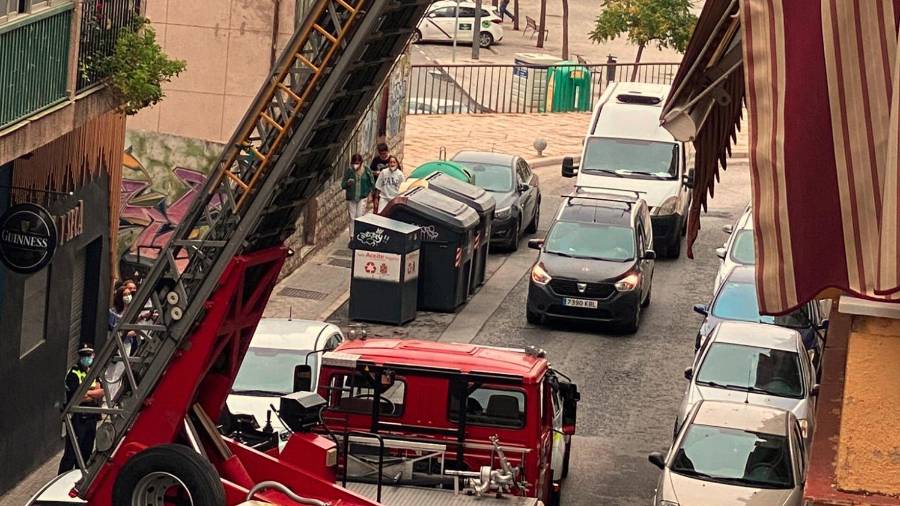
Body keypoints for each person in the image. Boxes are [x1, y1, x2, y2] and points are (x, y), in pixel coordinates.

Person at [58, 345, 104, 474]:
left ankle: (79, 477)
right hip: (77, 418)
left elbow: (101, 391)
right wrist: (92, 393)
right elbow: (78, 396)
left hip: (92, 417)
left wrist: (88, 393)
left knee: (86, 452)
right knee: (71, 453)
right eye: (84, 356)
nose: (86, 358)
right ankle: (61, 480)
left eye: (89, 355)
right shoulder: (73, 373)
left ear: (93, 356)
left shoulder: (94, 372)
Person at [342, 153, 375, 239]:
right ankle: (352, 236)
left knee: (359, 216)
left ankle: (358, 235)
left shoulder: (366, 170)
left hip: (362, 197)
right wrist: (348, 183)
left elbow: (371, 182)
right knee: (352, 218)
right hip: (351, 197)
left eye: (357, 163)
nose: (355, 165)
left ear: (361, 162)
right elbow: (343, 185)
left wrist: (370, 193)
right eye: (354, 163)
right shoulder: (349, 171)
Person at [369, 143, 391, 211]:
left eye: (385, 153)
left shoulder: (391, 160)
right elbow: (370, 172)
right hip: (377, 186)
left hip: (388, 186)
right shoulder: (376, 160)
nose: (383, 156)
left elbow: (398, 171)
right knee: (376, 205)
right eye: (381, 154)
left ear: (387, 151)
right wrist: (375, 173)